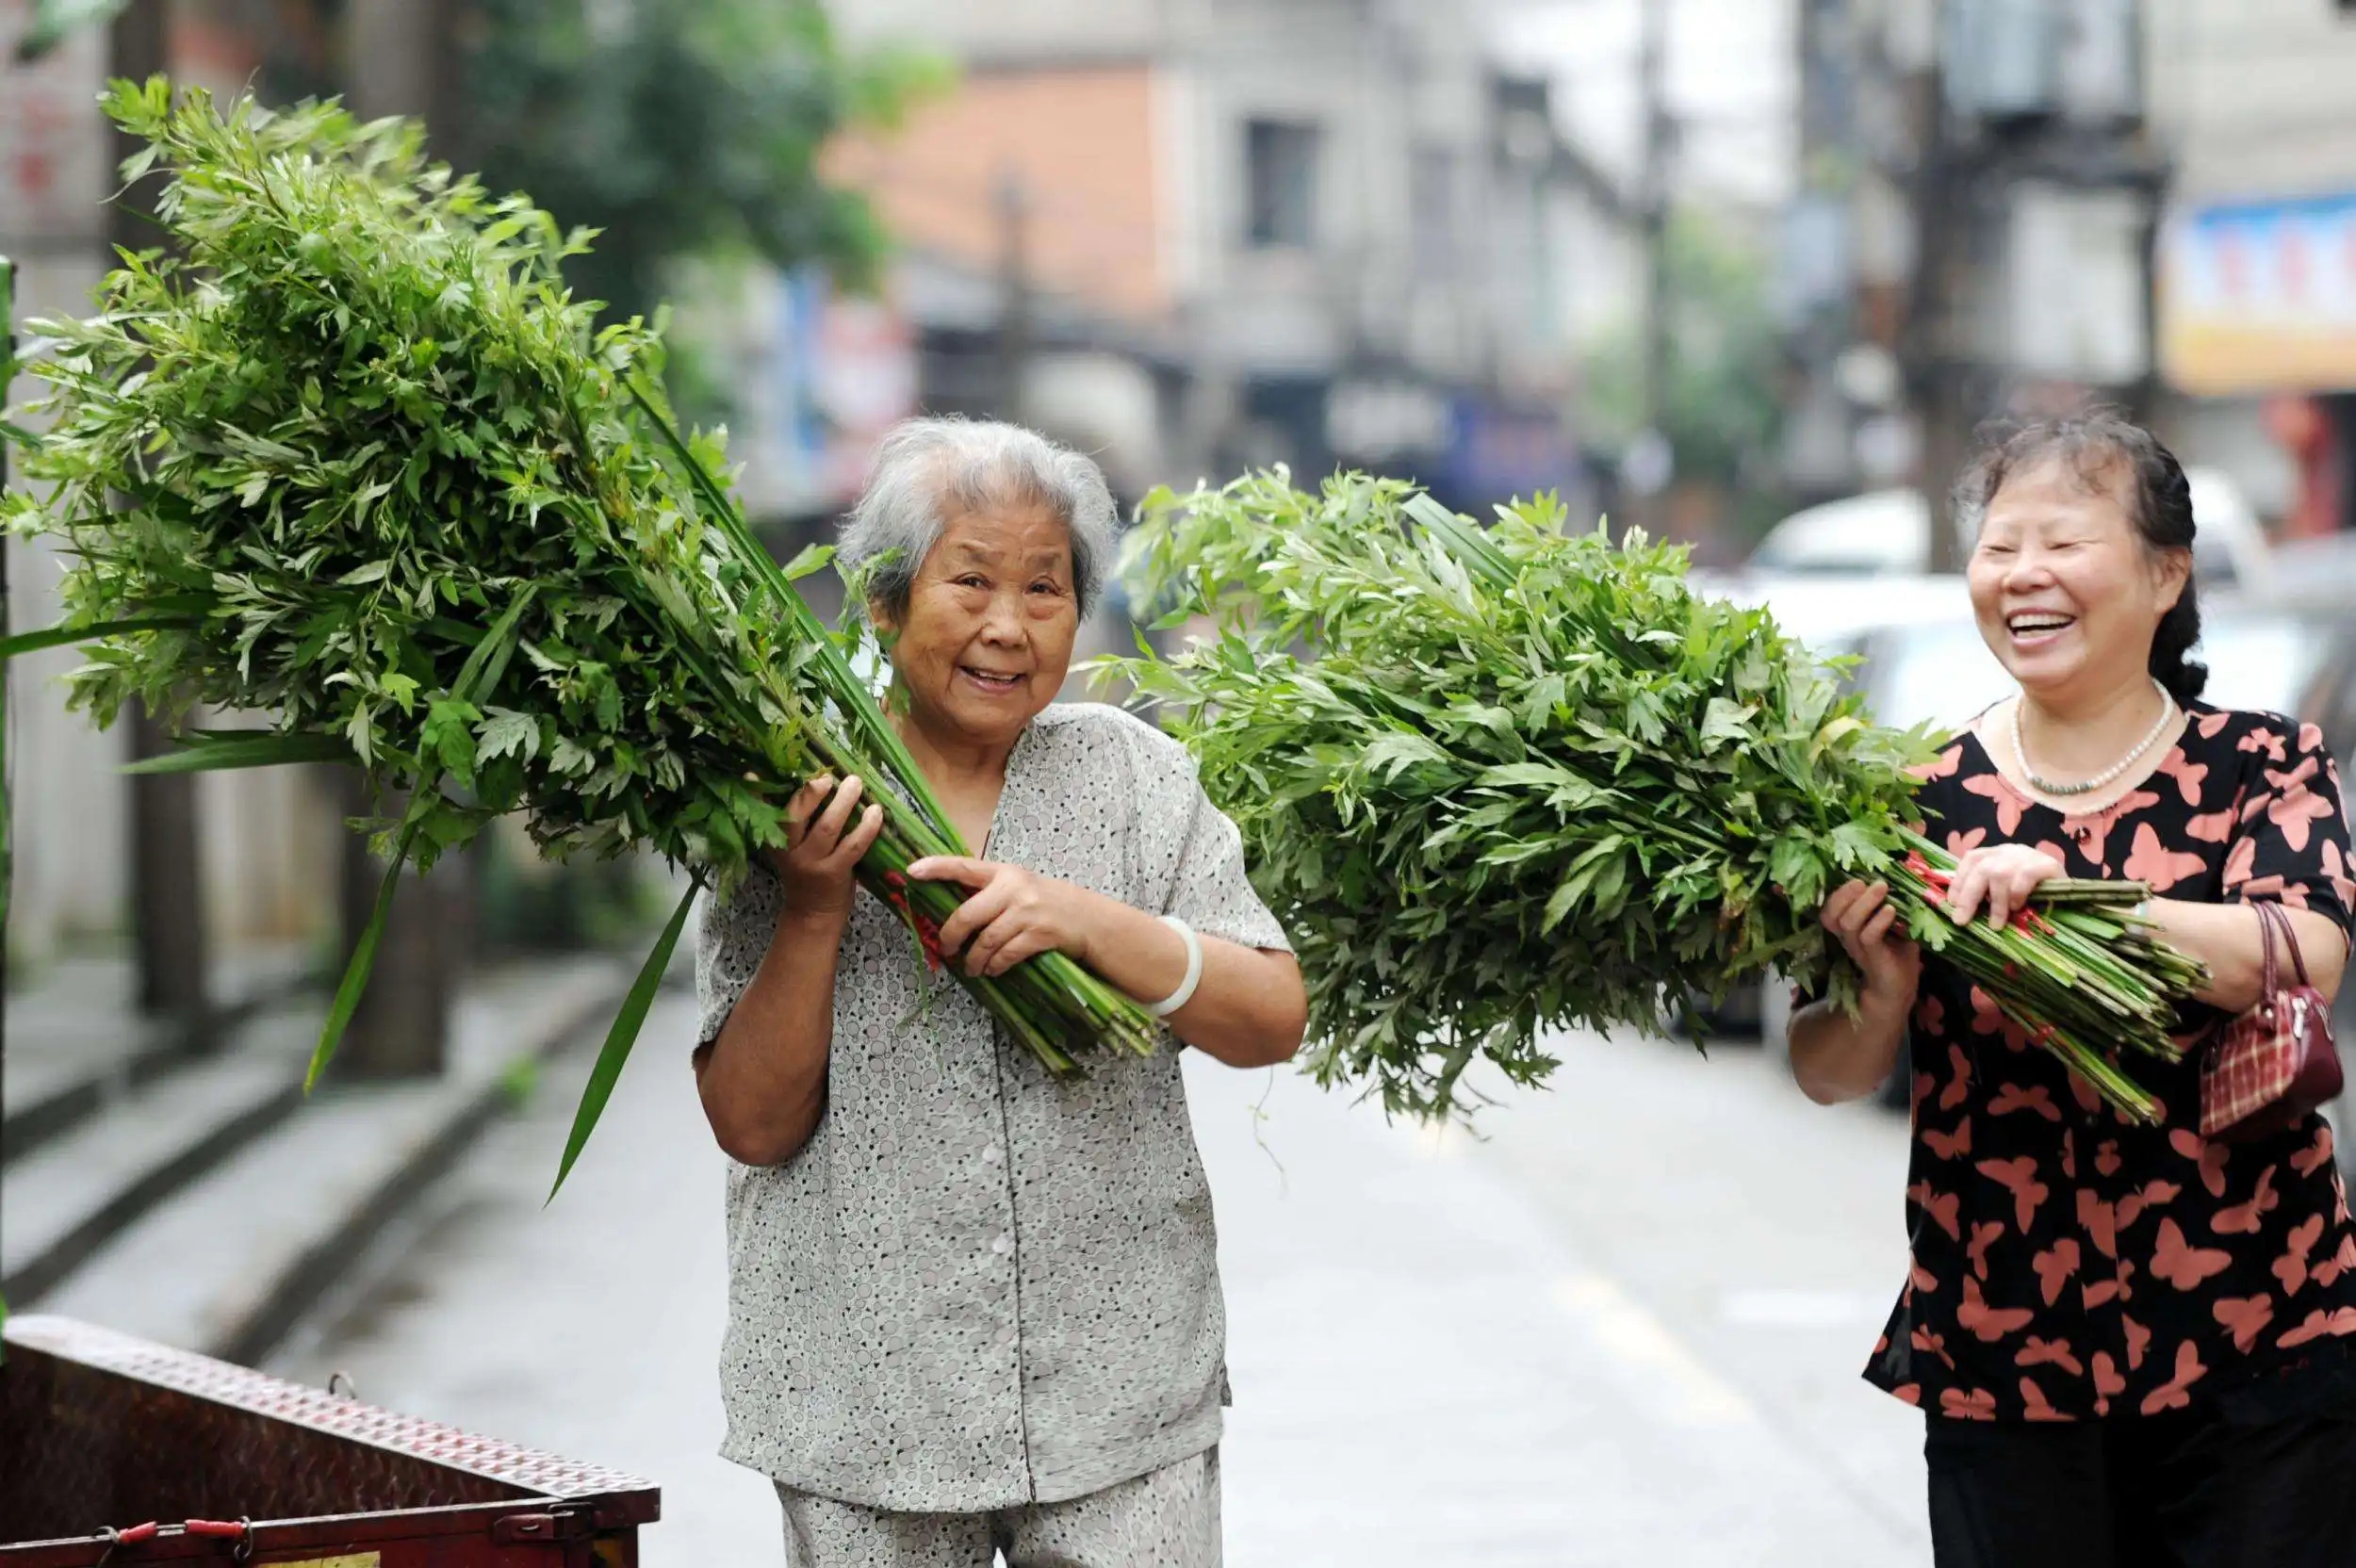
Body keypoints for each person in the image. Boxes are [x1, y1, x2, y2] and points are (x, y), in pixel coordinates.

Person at [692, 417, 1308, 1567]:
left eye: (1044, 587)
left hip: (1120, 1398)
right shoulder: (794, 790)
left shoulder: (1133, 772)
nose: (1007, 625)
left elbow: (1270, 1016)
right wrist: (816, 904)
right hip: (866, 1400)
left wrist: (1086, 919)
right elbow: (753, 1122)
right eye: (969, 579)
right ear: (882, 601)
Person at [1788, 411, 2356, 1567]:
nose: (2023, 576)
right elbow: (1823, 1070)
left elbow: (2302, 948)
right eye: (1998, 548)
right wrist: (1881, 994)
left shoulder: (2262, 761)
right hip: (2005, 1351)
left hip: (2257, 1337)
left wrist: (2074, 898)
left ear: (2164, 571)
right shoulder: (1908, 799)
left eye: (2063, 542)